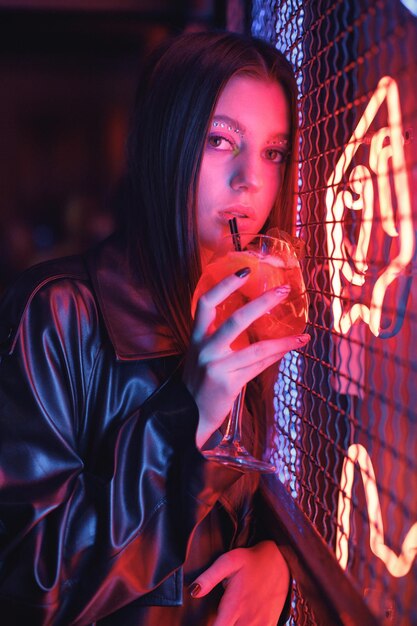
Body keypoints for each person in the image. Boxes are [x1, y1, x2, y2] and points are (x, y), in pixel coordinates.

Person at [0, 31, 309, 625]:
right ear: (167, 146)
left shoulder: (254, 307)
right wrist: (187, 415)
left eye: (273, 151)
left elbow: (228, 531)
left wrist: (279, 565)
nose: (251, 179)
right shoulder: (55, 315)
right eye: (222, 140)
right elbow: (29, 587)